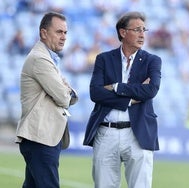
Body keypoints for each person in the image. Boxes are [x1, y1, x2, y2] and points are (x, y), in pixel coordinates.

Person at [83, 11, 162, 188]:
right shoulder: (103, 59)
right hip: (106, 133)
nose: (142, 34)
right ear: (123, 32)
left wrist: (117, 87)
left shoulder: (153, 61)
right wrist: (128, 100)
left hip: (138, 134)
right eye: (137, 30)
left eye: (144, 30)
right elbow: (95, 93)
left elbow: (150, 90)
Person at [15, 12, 78, 188]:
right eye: (59, 32)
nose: (64, 37)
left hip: (42, 137)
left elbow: (63, 93)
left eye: (65, 32)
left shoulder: (48, 58)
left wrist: (66, 91)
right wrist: (67, 91)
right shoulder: (40, 59)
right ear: (43, 33)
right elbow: (64, 97)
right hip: (40, 138)